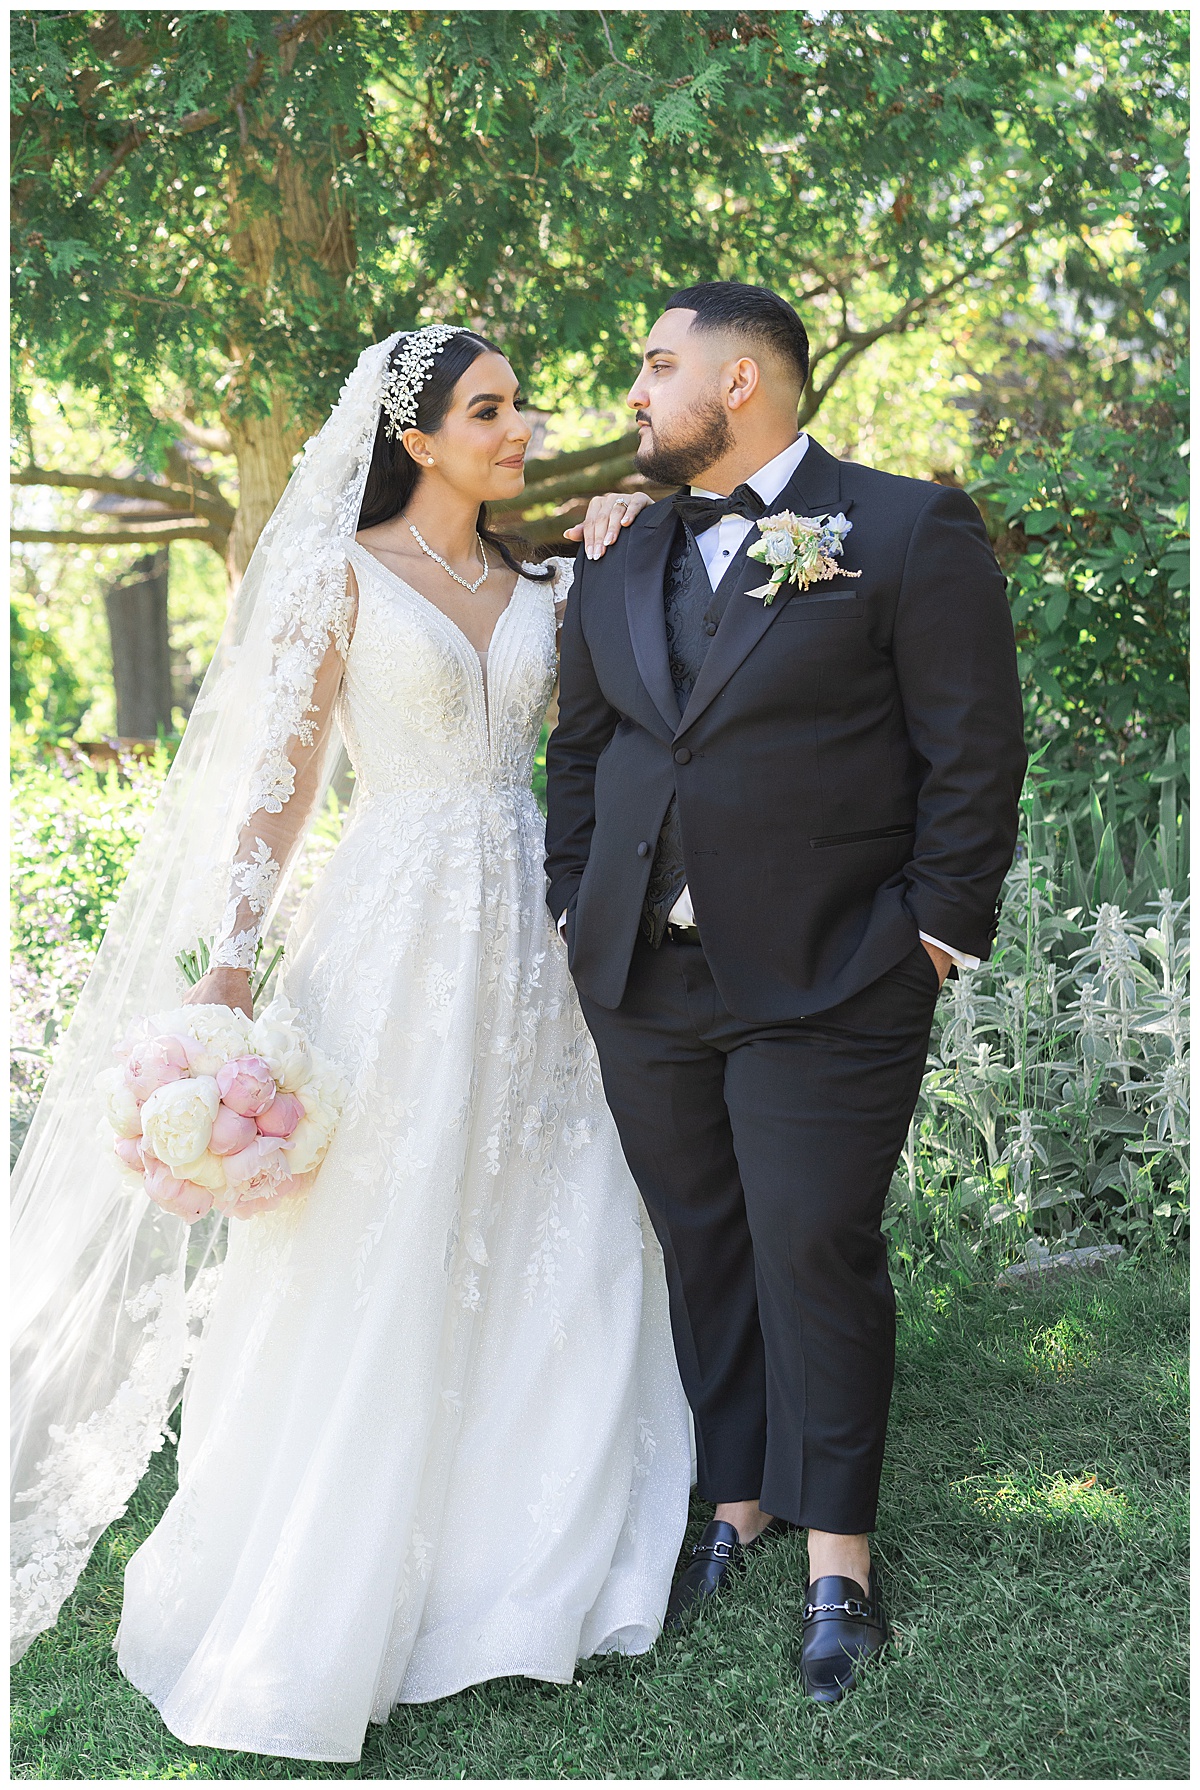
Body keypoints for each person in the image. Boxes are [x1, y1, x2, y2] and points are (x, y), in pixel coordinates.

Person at [10, 326, 687, 1763]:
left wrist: (633, 526)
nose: (521, 426)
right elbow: (281, 784)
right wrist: (237, 966)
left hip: (536, 930)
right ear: (420, 437)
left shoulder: (546, 582)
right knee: (378, 1219)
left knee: (553, 1204)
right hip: (393, 925)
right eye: (490, 409)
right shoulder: (340, 573)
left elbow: (621, 708)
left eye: (520, 405)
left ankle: (532, 1554)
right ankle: (348, 1551)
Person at [545, 281, 1027, 1703]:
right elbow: (587, 752)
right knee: (704, 1241)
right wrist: (582, 895)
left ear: (743, 382)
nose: (633, 393)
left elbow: (974, 748)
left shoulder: (900, 529)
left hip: (834, 973)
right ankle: (737, 1503)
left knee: (813, 1239)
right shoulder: (626, 553)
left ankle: (840, 1564)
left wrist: (932, 931)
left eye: (654, 365)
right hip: (647, 975)